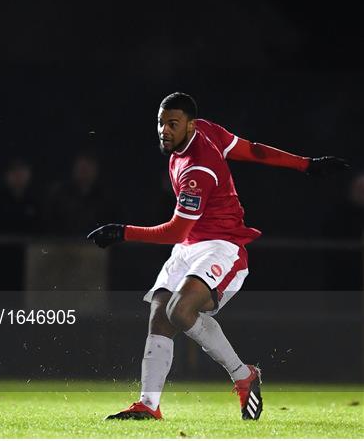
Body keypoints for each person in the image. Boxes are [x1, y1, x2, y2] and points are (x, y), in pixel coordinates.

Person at [87, 92, 348, 421]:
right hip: (190, 244)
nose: (164, 130)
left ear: (190, 125)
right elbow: (252, 150)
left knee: (180, 310)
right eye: (161, 123)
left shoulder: (198, 169)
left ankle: (243, 375)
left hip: (221, 245)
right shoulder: (206, 131)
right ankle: (149, 406)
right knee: (159, 313)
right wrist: (306, 165)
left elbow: (174, 231)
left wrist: (123, 232)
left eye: (173, 124)